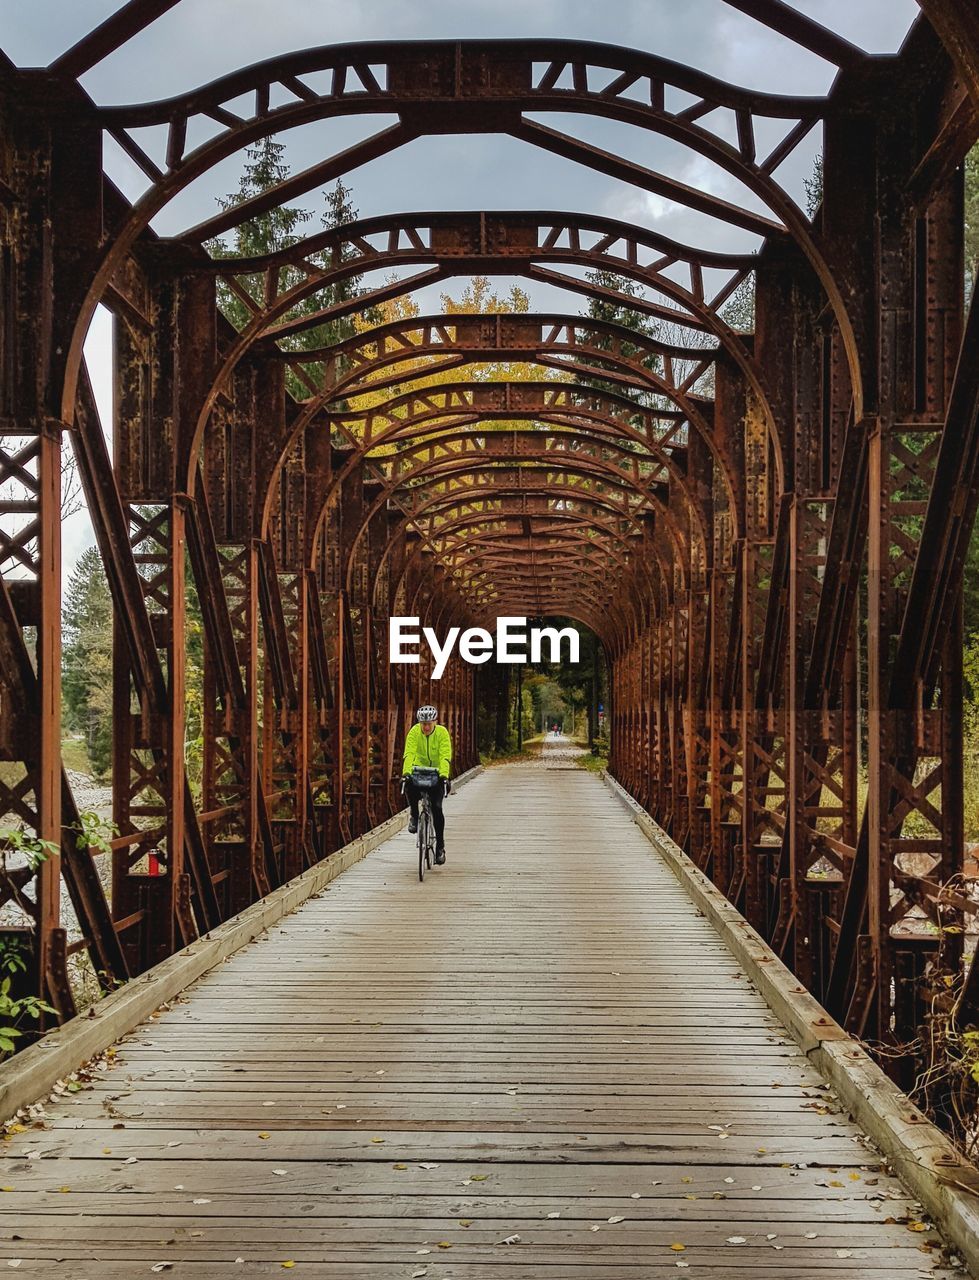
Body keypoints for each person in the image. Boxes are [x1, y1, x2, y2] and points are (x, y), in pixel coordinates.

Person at [402, 705, 452, 864]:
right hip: (418, 771)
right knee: (409, 787)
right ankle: (415, 816)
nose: (426, 727)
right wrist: (406, 773)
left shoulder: (442, 733)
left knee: (437, 808)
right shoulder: (414, 732)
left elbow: (445, 755)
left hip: (436, 774)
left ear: (435, 722)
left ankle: (440, 847)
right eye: (423, 723)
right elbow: (409, 753)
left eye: (429, 723)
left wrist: (444, 775)